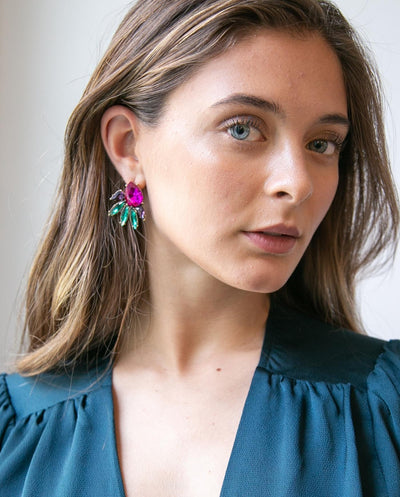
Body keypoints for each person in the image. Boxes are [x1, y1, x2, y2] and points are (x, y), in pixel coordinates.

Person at [1, 0, 399, 495]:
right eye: (242, 128)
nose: (298, 184)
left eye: (322, 144)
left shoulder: (385, 409)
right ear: (128, 146)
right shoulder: (14, 436)